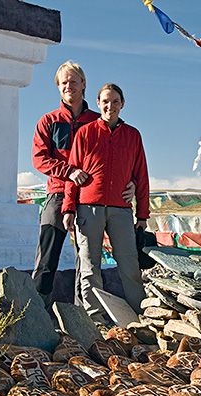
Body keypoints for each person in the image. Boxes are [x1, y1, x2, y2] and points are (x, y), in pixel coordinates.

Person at [31, 61, 135, 309]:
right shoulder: (48, 121)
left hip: (90, 199)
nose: (69, 86)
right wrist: (69, 171)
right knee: (47, 255)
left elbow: (122, 154)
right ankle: (36, 312)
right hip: (58, 194)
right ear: (58, 87)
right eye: (64, 82)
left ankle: (83, 316)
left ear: (84, 84)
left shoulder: (98, 121)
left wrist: (130, 181)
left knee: (87, 259)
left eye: (73, 81)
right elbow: (39, 158)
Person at [63, 83, 149, 324]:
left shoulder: (133, 135)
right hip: (87, 208)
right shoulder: (85, 133)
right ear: (98, 103)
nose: (110, 106)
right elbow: (72, 172)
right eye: (105, 101)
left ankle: (141, 316)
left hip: (121, 210)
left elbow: (141, 176)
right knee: (90, 266)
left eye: (115, 101)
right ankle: (95, 320)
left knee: (129, 265)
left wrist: (143, 216)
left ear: (122, 104)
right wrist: (68, 208)